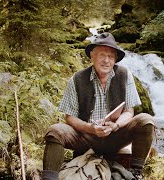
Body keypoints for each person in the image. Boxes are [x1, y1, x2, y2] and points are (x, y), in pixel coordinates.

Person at [42, 32, 155, 180]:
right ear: (92, 56)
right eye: (102, 55)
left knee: (146, 120)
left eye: (111, 56)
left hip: (116, 135)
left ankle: (135, 173)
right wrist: (91, 129)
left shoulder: (124, 75)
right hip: (85, 138)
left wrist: (115, 126)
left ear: (115, 60)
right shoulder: (77, 79)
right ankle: (49, 178)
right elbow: (69, 117)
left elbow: (129, 112)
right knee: (55, 131)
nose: (106, 60)